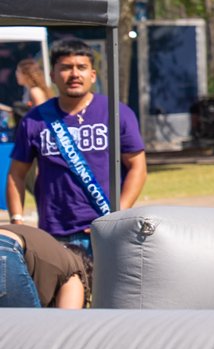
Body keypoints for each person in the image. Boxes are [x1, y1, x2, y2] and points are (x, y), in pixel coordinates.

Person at [5, 38, 146, 257]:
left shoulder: (117, 113)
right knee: (64, 292)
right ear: (52, 75)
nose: (74, 74)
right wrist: (17, 220)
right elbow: (17, 174)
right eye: (66, 68)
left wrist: (116, 215)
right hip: (55, 232)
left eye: (81, 67)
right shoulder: (35, 120)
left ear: (92, 75)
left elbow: (137, 167)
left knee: (107, 292)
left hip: (106, 230)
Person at [0, 224, 89, 308]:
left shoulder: (50, 250)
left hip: (6, 243)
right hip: (5, 250)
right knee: (26, 322)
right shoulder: (75, 271)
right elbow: (68, 319)